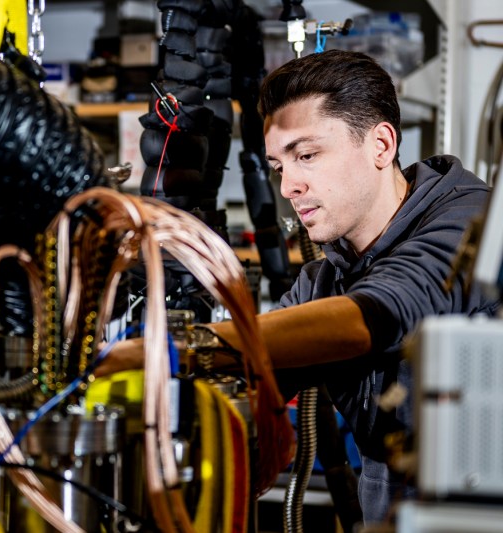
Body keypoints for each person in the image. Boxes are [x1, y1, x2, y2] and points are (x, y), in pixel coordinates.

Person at [97, 49, 500, 524]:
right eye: (279, 165)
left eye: (306, 156)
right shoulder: (323, 280)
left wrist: (174, 349)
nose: (289, 186)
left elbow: (375, 316)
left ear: (381, 145)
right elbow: (258, 374)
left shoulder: (470, 220)